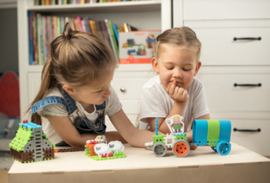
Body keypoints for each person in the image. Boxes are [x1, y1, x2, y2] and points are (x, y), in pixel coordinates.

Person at [27, 23, 155, 148]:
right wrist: (119, 136)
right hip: (62, 157)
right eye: (99, 89)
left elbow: (131, 134)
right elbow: (76, 141)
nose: (108, 92)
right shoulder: (54, 102)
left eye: (109, 82)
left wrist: (164, 138)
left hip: (90, 154)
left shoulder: (106, 93)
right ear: (70, 89)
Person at [139, 27, 210, 144]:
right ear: (156, 65)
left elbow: (205, 128)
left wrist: (186, 138)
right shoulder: (151, 89)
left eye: (186, 69)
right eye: (170, 67)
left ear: (196, 68)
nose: (177, 74)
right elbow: (161, 135)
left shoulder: (196, 87)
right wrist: (180, 103)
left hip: (179, 146)